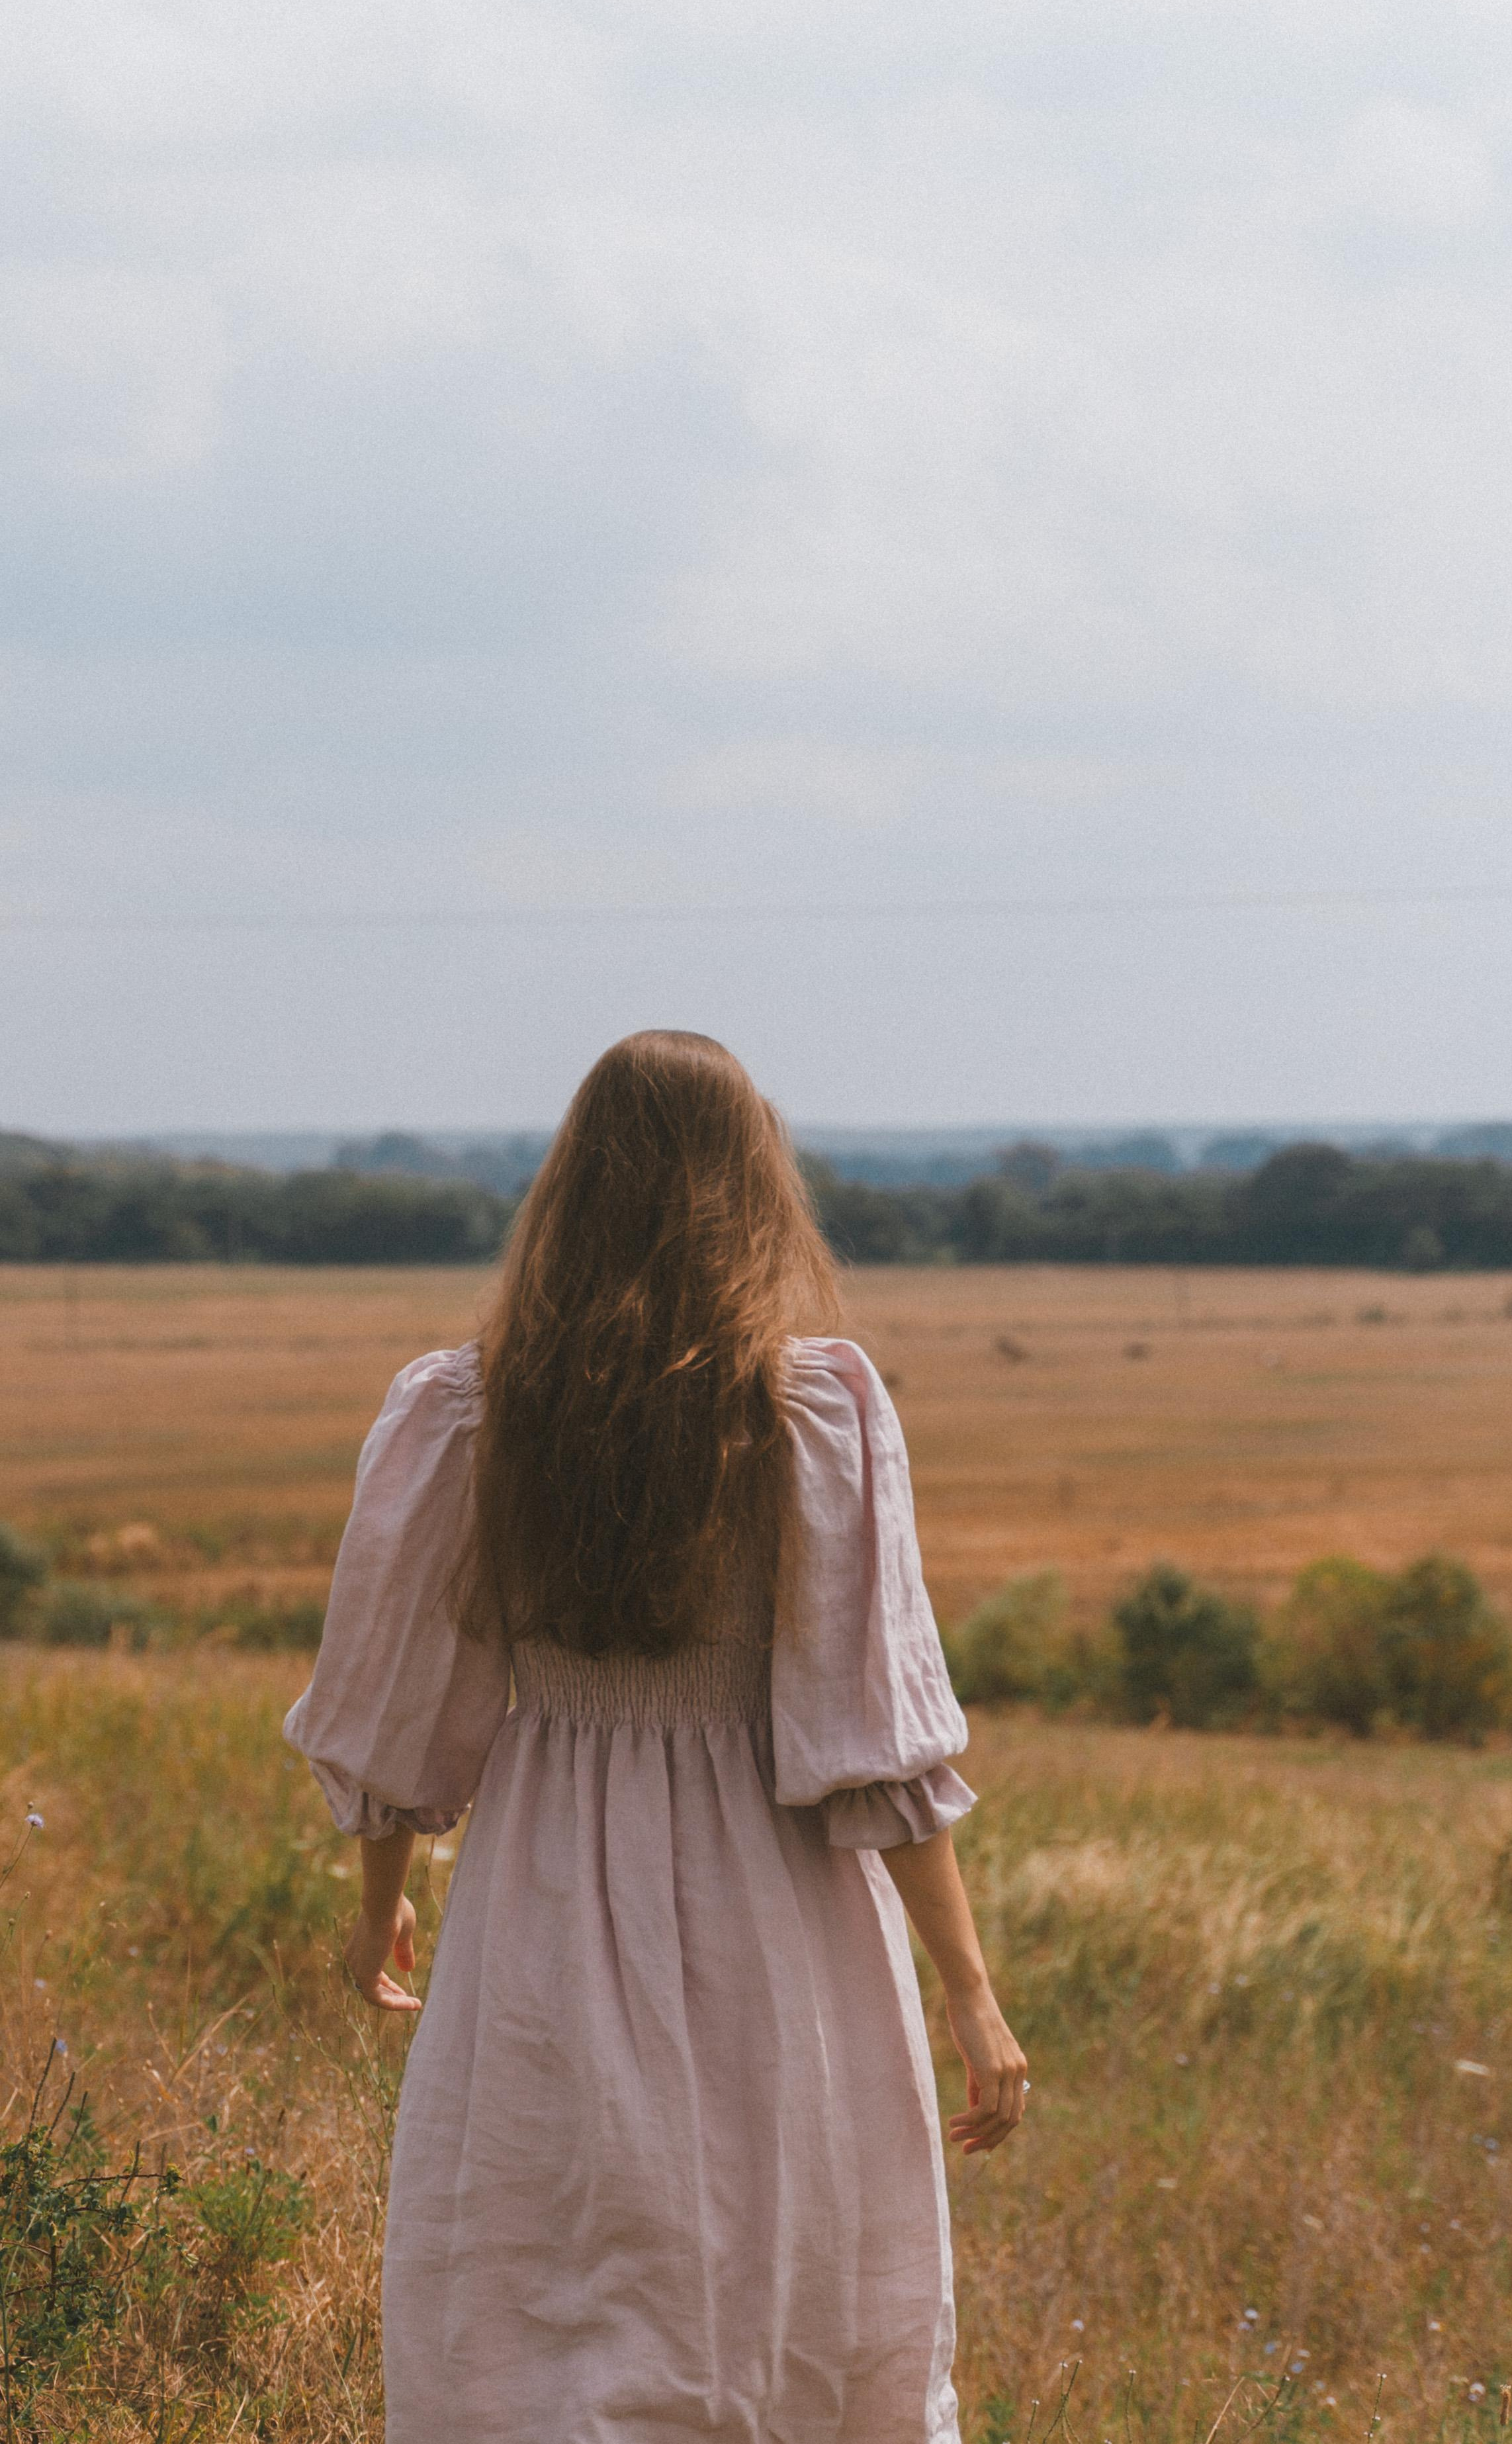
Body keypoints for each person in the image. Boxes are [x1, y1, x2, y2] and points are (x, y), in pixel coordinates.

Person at [285, 1029, 1026, 2444]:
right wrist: (969, 1992)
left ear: (569, 1185)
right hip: (778, 1903)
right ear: (752, 1188)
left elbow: (397, 1708)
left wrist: (378, 1913)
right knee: (770, 2256)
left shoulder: (472, 1412)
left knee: (549, 2262)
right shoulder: (811, 1412)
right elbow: (875, 1744)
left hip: (545, 1894)